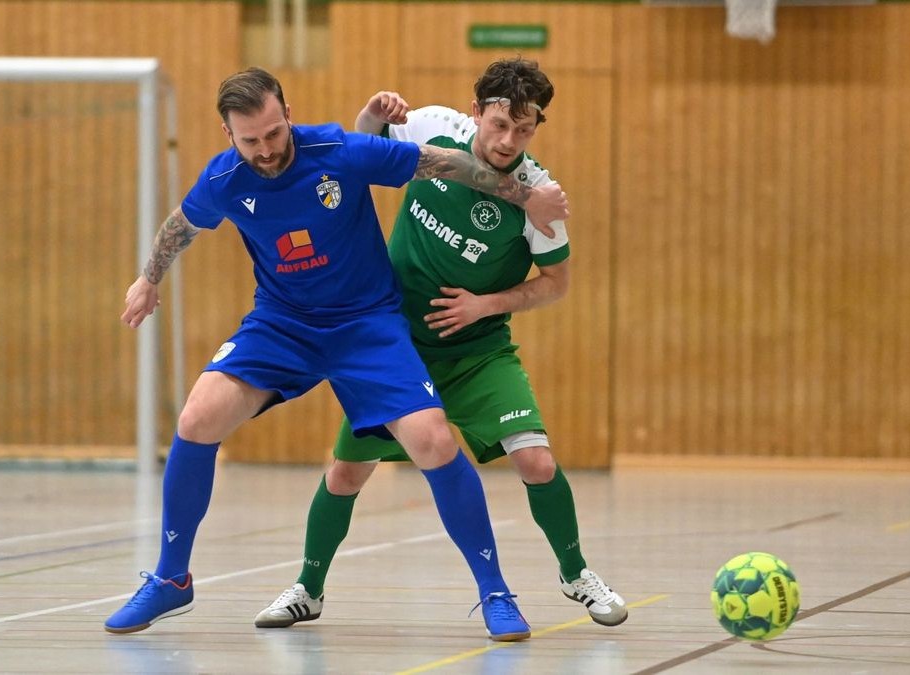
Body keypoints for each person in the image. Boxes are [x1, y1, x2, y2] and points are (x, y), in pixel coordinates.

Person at [103, 66, 569, 642]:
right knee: (197, 418)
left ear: (288, 115)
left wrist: (527, 196)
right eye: (251, 140)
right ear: (229, 136)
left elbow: (443, 164)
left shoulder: (337, 151)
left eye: (275, 133)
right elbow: (182, 223)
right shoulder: (224, 178)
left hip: (366, 325)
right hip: (281, 325)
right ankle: (173, 579)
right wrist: (148, 279)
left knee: (433, 440)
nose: (267, 149)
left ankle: (495, 590)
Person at [255, 58, 629, 632]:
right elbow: (360, 151)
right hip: (394, 346)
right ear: (475, 112)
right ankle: (308, 588)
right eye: (499, 124)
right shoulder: (432, 128)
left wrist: (484, 305)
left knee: (536, 460)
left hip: (478, 350)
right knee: (346, 475)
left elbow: (556, 285)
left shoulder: (540, 198)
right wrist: (372, 114)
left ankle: (576, 573)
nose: (509, 141)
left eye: (524, 130)